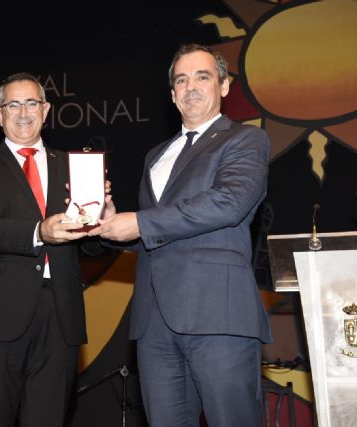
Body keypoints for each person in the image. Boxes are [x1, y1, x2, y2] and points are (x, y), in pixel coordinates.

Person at [89, 43, 273, 427]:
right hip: (154, 322)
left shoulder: (245, 140)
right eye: (181, 79)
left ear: (224, 86)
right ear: (172, 95)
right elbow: (157, 232)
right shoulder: (156, 154)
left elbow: (228, 203)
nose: (191, 86)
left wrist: (139, 222)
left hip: (218, 314)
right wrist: (110, 225)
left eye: (202, 76)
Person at [0, 72, 90, 427]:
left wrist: (100, 220)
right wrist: (38, 230)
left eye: (31, 103)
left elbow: (93, 249)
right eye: (13, 104)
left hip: (60, 316)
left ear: (46, 110)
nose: (23, 112)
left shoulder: (74, 167)